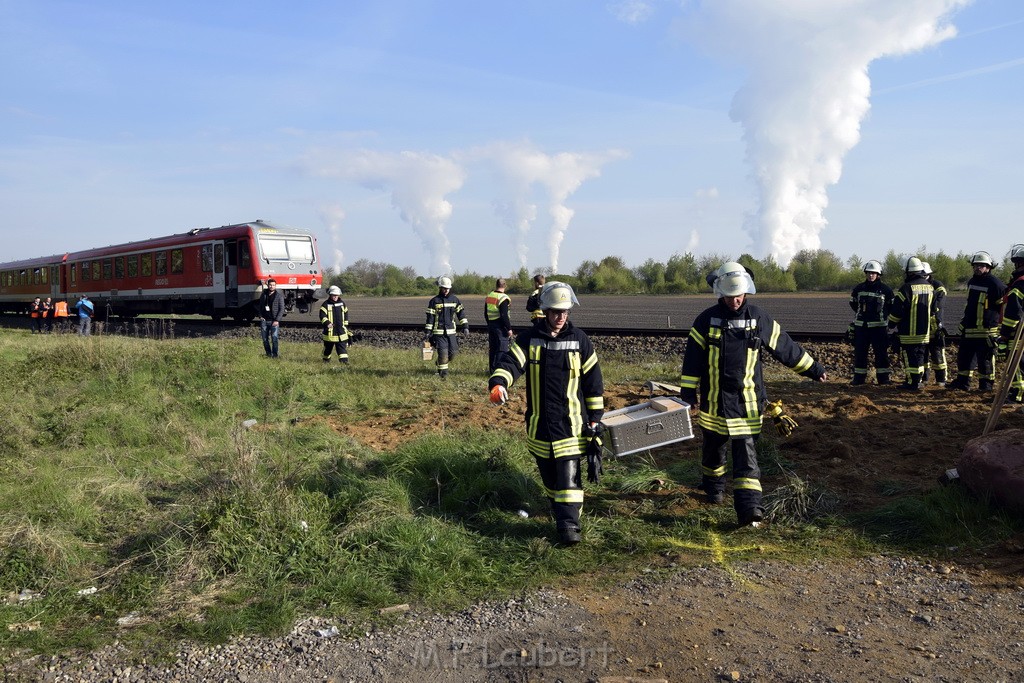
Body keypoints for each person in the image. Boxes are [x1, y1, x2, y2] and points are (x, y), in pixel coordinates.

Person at [680, 262, 827, 527]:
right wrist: (688, 392)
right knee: (713, 450)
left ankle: (750, 509)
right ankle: (713, 490)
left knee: (746, 456)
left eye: (739, 295)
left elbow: (786, 347)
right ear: (720, 294)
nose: (735, 300)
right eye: (729, 295)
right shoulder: (705, 320)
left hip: (747, 403)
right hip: (713, 403)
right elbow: (693, 359)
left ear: (747, 291)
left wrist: (814, 369)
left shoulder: (758, 318)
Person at [488, 281, 604, 544]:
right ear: (545, 311)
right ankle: (560, 512)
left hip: (571, 425)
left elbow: (593, 383)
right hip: (540, 426)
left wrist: (596, 419)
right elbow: (510, 363)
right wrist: (499, 383)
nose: (560, 317)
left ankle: (569, 526)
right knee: (551, 480)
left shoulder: (580, 341)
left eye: (564, 312)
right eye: (555, 312)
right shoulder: (530, 339)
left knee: (568, 480)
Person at [947, 251, 1006, 391]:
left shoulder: (996, 284)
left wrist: (998, 329)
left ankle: (985, 386)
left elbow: (1002, 308)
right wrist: (963, 323)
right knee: (964, 358)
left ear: (989, 267)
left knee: (985, 360)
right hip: (970, 328)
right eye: (976, 265)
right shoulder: (972, 282)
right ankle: (963, 383)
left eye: (982, 265)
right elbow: (970, 305)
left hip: (986, 330)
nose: (978, 268)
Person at [887, 257, 935, 391]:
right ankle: (918, 381)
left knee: (909, 359)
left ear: (909, 272)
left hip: (909, 332)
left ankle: (911, 383)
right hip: (924, 333)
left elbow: (897, 311)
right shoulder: (930, 287)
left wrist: (890, 324)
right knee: (919, 358)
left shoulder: (906, 288)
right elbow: (934, 309)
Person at [848, 260, 894, 385]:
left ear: (878, 274)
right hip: (861, 327)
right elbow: (853, 303)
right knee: (860, 354)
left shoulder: (886, 290)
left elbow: (891, 306)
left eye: (873, 273)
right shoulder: (859, 288)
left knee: (881, 354)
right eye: (868, 273)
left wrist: (883, 317)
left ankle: (884, 379)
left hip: (879, 329)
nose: (870, 275)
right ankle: (859, 379)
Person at [424, 276, 468, 379]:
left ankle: (439, 362)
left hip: (451, 332)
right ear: (440, 287)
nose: (446, 290)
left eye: (447, 288)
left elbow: (461, 314)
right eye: (444, 288)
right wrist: (427, 331)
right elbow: (430, 318)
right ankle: (443, 375)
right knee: (443, 353)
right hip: (439, 333)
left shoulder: (454, 300)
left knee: (453, 353)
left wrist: (465, 326)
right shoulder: (434, 301)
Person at [998, 245, 1024, 403]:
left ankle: (1018, 394)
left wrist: (1005, 333)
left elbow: (1013, 312)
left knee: (1017, 363)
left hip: (1018, 334)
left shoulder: (1019, 284)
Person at [921, 262, 949, 385]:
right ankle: (924, 379)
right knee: (923, 355)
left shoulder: (938, 286)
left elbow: (939, 303)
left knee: (938, 355)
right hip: (921, 327)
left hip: (935, 326)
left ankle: (941, 380)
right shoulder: (917, 285)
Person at [484, 278, 513, 373]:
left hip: (491, 325)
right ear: (505, 286)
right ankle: (499, 371)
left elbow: (485, 313)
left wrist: (489, 323)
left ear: (496, 285)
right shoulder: (503, 298)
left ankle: (492, 370)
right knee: (502, 349)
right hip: (500, 326)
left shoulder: (490, 296)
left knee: (493, 349)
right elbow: (504, 315)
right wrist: (508, 329)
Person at [319, 285, 350, 364]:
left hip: (341, 333)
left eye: (336, 295)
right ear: (330, 295)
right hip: (330, 333)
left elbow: (346, 314)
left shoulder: (342, 304)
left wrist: (345, 326)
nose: (335, 297)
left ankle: (344, 363)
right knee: (327, 350)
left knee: (342, 350)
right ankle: (325, 362)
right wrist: (327, 323)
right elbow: (322, 315)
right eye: (333, 295)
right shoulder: (325, 304)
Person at [258, 278, 285, 358]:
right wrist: (260, 316)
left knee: (274, 339)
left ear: (275, 286)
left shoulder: (279, 296)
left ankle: (275, 355)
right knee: (265, 340)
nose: (272, 286)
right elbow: (260, 306)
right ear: (268, 285)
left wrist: (277, 320)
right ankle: (268, 354)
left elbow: (281, 309)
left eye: (273, 285)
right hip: (264, 321)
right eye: (270, 285)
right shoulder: (264, 295)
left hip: (274, 321)